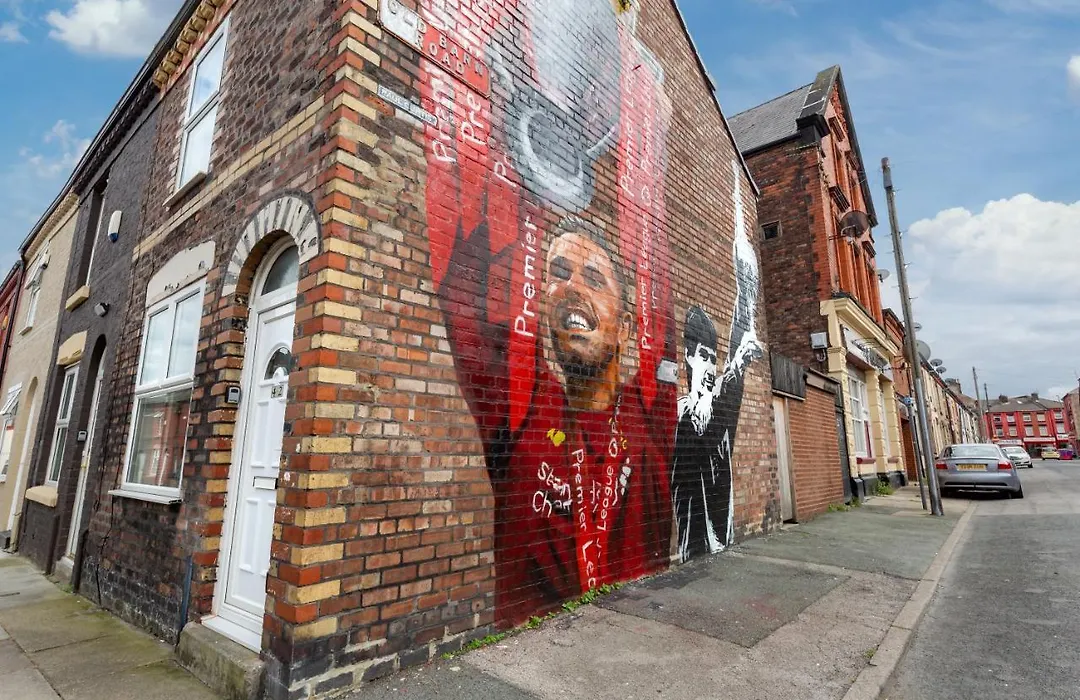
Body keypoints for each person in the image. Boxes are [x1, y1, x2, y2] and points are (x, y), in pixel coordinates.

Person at [438, 215, 671, 625]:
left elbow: (661, 311)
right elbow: (463, 291)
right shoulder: (522, 409)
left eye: (594, 279)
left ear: (626, 328)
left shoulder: (648, 421)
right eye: (558, 274)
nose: (572, 287)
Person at [671, 221, 762, 560]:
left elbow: (739, 336)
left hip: (722, 546)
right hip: (693, 555)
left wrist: (745, 289)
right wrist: (736, 365)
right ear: (688, 357)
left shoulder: (720, 411)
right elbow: (697, 422)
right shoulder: (681, 414)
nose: (710, 366)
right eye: (704, 357)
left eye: (714, 358)